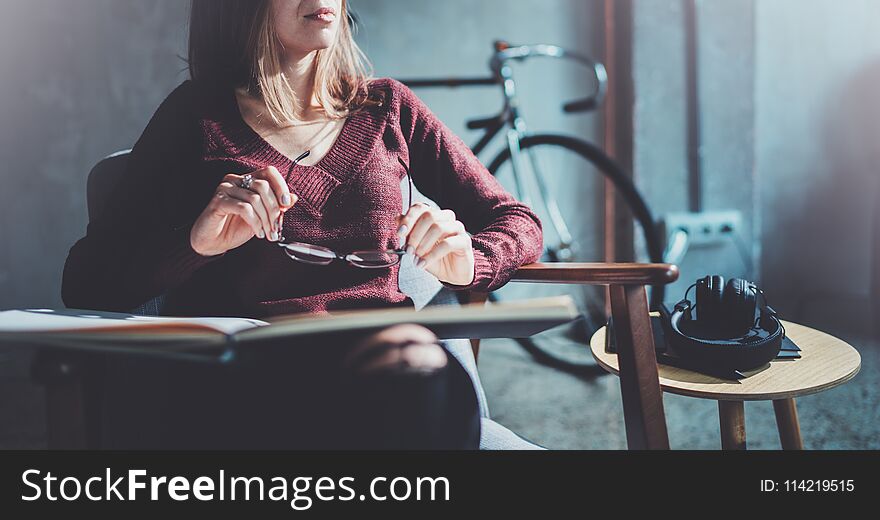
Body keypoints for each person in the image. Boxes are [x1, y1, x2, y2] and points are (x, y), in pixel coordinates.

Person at [61, 0, 543, 449]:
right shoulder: (195, 116)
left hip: (386, 367)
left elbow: (517, 221)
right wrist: (194, 243)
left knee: (415, 370)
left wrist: (470, 262)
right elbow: (86, 281)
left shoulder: (387, 107)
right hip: (258, 374)